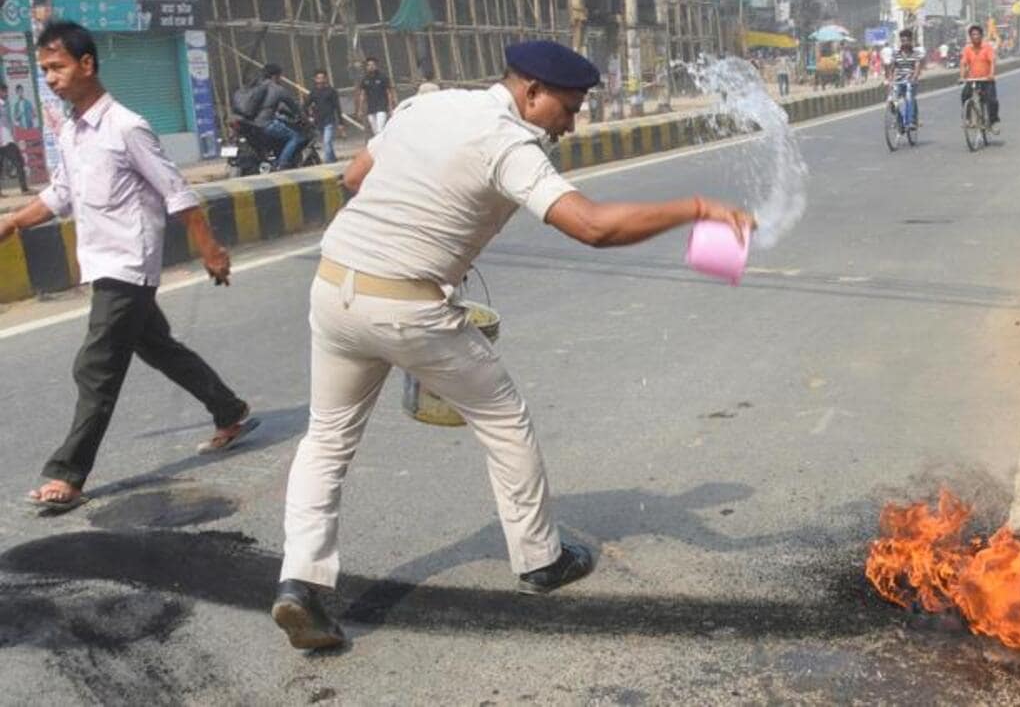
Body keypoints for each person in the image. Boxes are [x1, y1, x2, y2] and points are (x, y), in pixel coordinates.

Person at [270, 40, 755, 651]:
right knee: (505, 418)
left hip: (334, 285)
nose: (572, 123)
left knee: (328, 437)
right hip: (410, 306)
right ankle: (540, 560)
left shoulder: (429, 107)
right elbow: (593, 228)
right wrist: (696, 206)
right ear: (532, 92)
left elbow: (354, 175)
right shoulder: (510, 145)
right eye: (569, 108)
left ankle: (300, 583)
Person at [0, 21, 256, 516]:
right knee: (158, 347)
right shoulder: (71, 131)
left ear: (87, 65)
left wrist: (210, 249)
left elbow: (176, 191)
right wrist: (12, 221)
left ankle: (68, 473)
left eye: (57, 67)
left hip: (129, 264)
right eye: (44, 70)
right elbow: (61, 194)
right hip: (101, 262)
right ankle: (230, 410)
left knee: (95, 367)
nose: (50, 79)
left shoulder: (126, 126)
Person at [260, 65, 308, 171]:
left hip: (252, 125)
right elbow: (294, 106)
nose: (280, 79)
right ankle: (282, 164)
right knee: (295, 137)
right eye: (279, 76)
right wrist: (304, 118)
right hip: (266, 124)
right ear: (274, 76)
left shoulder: (256, 87)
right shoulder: (278, 89)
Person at [959, 24, 999, 132]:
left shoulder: (987, 48)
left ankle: (993, 121)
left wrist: (991, 74)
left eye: (977, 34)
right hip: (973, 79)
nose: (975, 36)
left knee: (992, 100)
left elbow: (992, 62)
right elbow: (963, 63)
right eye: (973, 34)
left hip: (986, 79)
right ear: (970, 37)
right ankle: (967, 119)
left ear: (981, 36)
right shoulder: (967, 49)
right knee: (965, 95)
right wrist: (962, 76)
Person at [885, 28, 925, 130]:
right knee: (892, 101)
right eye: (903, 41)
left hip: (910, 81)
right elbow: (892, 68)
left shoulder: (915, 54)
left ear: (910, 41)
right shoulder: (896, 54)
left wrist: (914, 77)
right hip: (898, 81)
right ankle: (899, 121)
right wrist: (890, 80)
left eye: (907, 40)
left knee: (909, 98)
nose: (905, 43)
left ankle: (911, 121)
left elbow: (917, 67)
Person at [306, 70, 343, 163]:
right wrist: (309, 116)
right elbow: (305, 105)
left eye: (322, 77)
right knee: (327, 143)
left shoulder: (331, 91)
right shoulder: (313, 92)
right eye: (318, 78)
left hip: (329, 120)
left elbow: (337, 107)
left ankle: (328, 162)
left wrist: (341, 122)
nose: (320, 79)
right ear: (315, 79)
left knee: (327, 142)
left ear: (326, 78)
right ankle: (333, 159)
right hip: (319, 121)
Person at [356, 57, 396, 133]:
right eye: (369, 65)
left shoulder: (382, 77)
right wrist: (360, 109)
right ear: (366, 67)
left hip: (382, 107)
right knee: (375, 131)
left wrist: (390, 107)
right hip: (371, 108)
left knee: (380, 129)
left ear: (376, 66)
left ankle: (383, 143)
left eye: (373, 65)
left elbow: (389, 93)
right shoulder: (365, 79)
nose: (371, 66)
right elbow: (362, 95)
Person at [0, 93, 27, 196]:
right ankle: (24, 189)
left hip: (5, 139)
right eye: (4, 91)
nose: (6, 94)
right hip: (5, 141)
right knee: (19, 162)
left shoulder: (4, 105)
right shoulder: (1, 104)